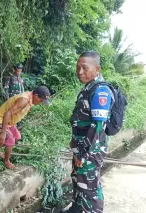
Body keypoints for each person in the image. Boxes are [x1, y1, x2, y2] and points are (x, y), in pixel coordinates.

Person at [62, 51, 112, 213]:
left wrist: (83, 154)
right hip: (81, 148)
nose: (80, 72)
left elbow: (98, 127)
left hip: (90, 151)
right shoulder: (88, 88)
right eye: (78, 68)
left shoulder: (100, 91)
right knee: (78, 180)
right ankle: (76, 208)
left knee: (89, 187)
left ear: (97, 69)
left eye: (84, 68)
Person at [0, 86, 50, 169]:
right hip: (0, 119)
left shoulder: (30, 99)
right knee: (10, 139)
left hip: (9, 122)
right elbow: (7, 114)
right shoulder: (24, 100)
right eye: (41, 100)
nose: (40, 102)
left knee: (17, 136)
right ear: (36, 95)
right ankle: (6, 161)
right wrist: (3, 132)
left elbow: (17, 113)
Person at [4, 63, 25, 129]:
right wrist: (7, 98)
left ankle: (18, 125)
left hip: (19, 98)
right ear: (14, 70)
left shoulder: (21, 79)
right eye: (18, 71)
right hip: (12, 98)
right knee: (11, 111)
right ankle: (11, 125)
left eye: (20, 71)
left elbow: (22, 88)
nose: (19, 73)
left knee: (18, 111)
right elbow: (6, 88)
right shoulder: (9, 77)